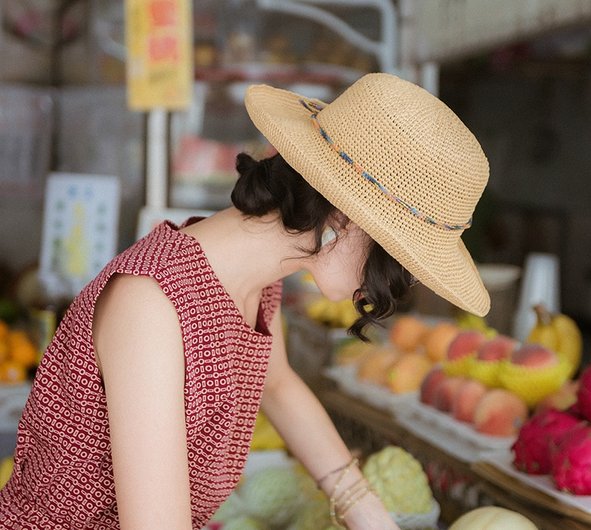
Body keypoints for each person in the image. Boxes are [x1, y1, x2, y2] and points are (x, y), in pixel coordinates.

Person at [0, 73, 490, 529]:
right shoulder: (152, 305)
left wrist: (365, 511)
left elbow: (278, 386)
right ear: (344, 219)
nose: (397, 282)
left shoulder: (259, 277)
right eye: (398, 257)